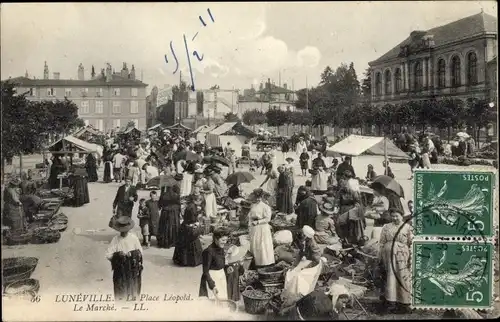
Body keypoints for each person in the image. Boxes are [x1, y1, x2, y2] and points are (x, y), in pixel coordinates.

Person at [379, 208, 413, 314]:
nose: (394, 218)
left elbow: (411, 242)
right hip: (388, 255)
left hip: (402, 254)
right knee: (390, 276)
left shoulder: (407, 227)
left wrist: (411, 256)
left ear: (401, 216)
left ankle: (404, 302)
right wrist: (379, 255)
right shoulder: (386, 227)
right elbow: (382, 242)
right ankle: (390, 302)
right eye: (392, 216)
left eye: (396, 216)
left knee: (402, 276)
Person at [106, 216, 143, 302]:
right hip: (120, 269)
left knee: (132, 288)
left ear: (128, 229)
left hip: (132, 269)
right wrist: (118, 255)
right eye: (121, 231)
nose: (123, 233)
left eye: (125, 231)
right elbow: (108, 254)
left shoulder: (133, 238)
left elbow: (140, 252)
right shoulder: (115, 239)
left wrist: (132, 254)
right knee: (121, 290)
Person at [199, 229, 230, 300]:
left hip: (221, 275)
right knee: (214, 299)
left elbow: (221, 262)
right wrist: (212, 285)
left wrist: (227, 267)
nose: (225, 242)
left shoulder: (220, 248)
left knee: (223, 298)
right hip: (212, 277)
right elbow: (205, 271)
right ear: (216, 239)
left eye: (226, 240)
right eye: (223, 240)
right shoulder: (208, 252)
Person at [248, 188, 275, 268]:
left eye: (257, 197)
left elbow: (267, 219)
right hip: (254, 227)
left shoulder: (265, 207)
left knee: (262, 244)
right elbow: (250, 215)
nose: (256, 199)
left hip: (262, 227)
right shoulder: (253, 205)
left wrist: (258, 222)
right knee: (255, 244)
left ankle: (265, 262)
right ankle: (256, 261)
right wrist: (250, 224)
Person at [173, 199, 204, 267]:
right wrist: (196, 222)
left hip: (185, 225)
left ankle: (183, 260)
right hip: (189, 226)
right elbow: (192, 218)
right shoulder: (192, 207)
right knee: (191, 242)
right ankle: (190, 261)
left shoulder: (190, 206)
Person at [157, 185, 181, 249]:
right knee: (173, 227)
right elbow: (179, 204)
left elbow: (160, 205)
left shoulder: (163, 195)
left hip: (165, 212)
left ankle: (164, 242)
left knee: (165, 227)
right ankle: (173, 241)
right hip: (174, 213)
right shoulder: (176, 195)